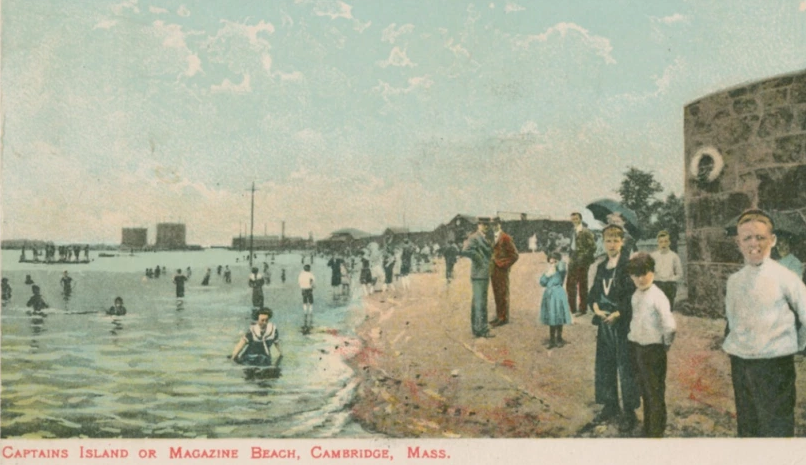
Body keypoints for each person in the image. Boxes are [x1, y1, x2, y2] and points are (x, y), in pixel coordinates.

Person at [723, 209, 806, 437]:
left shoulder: (786, 277)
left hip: (774, 366)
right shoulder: (734, 281)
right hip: (742, 364)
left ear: (773, 240)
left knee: (775, 428)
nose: (754, 244)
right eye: (747, 238)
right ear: (738, 242)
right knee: (748, 427)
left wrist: (795, 345)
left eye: (760, 237)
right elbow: (733, 320)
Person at [587, 224, 640, 432]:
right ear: (603, 242)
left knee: (626, 367)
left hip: (622, 323)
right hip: (604, 323)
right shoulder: (601, 267)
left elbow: (634, 295)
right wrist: (597, 309)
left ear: (622, 242)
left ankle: (629, 411)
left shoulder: (628, 266)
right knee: (605, 365)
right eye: (607, 240)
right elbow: (593, 293)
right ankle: (610, 405)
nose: (611, 244)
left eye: (615, 240)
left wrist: (619, 314)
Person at [626, 253, 676, 438]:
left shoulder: (658, 296)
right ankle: (648, 425)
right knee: (644, 390)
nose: (640, 278)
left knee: (655, 391)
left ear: (653, 272)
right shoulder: (636, 294)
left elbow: (669, 325)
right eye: (635, 275)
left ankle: (656, 430)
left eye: (643, 273)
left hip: (653, 350)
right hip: (637, 348)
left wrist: (666, 344)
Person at [459, 217, 494, 338]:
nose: (486, 227)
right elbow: (465, 250)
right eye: (483, 224)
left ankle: (478, 327)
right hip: (478, 274)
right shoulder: (474, 237)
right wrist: (478, 257)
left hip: (483, 273)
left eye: (487, 225)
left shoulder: (485, 237)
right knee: (480, 303)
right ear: (478, 225)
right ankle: (480, 329)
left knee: (480, 302)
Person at [539, 252, 573, 348]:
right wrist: (548, 273)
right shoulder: (549, 271)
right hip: (549, 295)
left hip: (558, 294)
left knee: (558, 316)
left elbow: (562, 267)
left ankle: (559, 338)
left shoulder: (560, 269)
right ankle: (552, 339)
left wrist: (556, 263)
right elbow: (542, 282)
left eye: (554, 261)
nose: (552, 263)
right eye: (550, 262)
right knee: (551, 317)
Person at [489, 217, 519, 327]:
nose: (494, 226)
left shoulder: (505, 237)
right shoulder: (491, 237)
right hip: (493, 270)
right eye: (492, 224)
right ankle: (498, 316)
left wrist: (502, 264)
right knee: (497, 293)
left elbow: (515, 255)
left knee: (503, 293)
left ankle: (503, 317)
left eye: (496, 224)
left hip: (501, 270)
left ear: (500, 224)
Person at [568, 212, 596, 316]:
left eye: (576, 219)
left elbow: (593, 247)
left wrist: (583, 256)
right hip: (573, 259)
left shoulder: (586, 231)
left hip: (583, 261)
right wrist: (570, 255)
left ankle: (583, 308)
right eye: (572, 219)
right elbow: (572, 245)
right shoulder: (572, 231)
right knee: (570, 284)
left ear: (580, 219)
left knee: (582, 285)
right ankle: (572, 308)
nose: (574, 220)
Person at [650, 230, 683, 310]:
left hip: (669, 286)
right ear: (658, 243)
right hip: (657, 284)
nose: (663, 244)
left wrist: (671, 279)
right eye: (661, 242)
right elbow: (648, 271)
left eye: (665, 241)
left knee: (667, 311)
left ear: (669, 243)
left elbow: (680, 274)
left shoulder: (674, 256)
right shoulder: (653, 256)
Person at [298, 264, 316, 329]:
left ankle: (305, 312)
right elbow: (313, 281)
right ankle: (310, 312)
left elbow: (299, 282)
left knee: (304, 300)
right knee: (311, 301)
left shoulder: (301, 274)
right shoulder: (310, 274)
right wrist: (313, 286)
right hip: (309, 288)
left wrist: (301, 286)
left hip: (303, 289)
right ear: (309, 269)